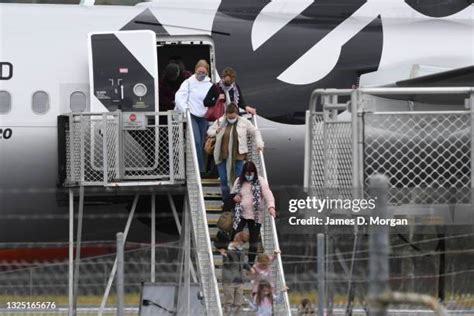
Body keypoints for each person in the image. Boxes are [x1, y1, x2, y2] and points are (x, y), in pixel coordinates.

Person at [207, 104, 264, 201]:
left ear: (237, 114)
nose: (231, 119)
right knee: (224, 180)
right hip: (222, 155)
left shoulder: (244, 122)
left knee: (238, 179)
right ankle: (226, 201)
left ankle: (237, 200)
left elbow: (255, 131)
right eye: (229, 117)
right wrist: (217, 131)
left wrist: (259, 144)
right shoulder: (220, 121)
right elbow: (209, 132)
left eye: (233, 117)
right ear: (226, 115)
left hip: (238, 156)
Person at [231, 161, 276, 264]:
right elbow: (232, 195)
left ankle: (250, 263)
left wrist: (271, 207)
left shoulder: (260, 181)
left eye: (251, 174)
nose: (249, 176)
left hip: (256, 215)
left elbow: (268, 195)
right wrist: (234, 198)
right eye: (247, 174)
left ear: (254, 173)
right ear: (243, 173)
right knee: (235, 235)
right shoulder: (239, 181)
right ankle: (234, 260)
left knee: (253, 241)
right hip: (241, 213)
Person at [175, 59, 213, 173]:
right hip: (192, 115)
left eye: (203, 73)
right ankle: (199, 171)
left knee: (201, 144)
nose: (201, 74)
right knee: (195, 141)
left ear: (207, 72)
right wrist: (185, 109)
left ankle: (201, 168)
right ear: (195, 70)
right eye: (199, 72)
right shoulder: (188, 82)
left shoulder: (209, 84)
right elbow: (179, 97)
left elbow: (213, 99)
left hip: (204, 117)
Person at [218, 231, 249, 315]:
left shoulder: (241, 250)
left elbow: (242, 263)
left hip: (239, 279)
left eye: (243, 243)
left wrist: (250, 268)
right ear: (236, 240)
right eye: (241, 243)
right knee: (229, 302)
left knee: (239, 303)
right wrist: (224, 256)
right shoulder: (227, 249)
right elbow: (227, 265)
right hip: (229, 279)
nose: (241, 245)